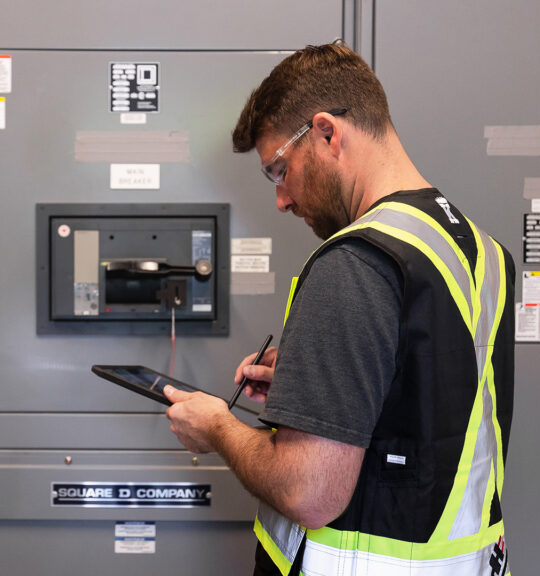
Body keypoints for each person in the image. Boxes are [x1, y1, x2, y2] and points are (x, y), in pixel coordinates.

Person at [163, 43, 515, 576]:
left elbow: (310, 492)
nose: (280, 199)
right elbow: (429, 396)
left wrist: (216, 425)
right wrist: (318, 379)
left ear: (327, 133)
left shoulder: (357, 260)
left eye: (277, 169)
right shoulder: (483, 253)